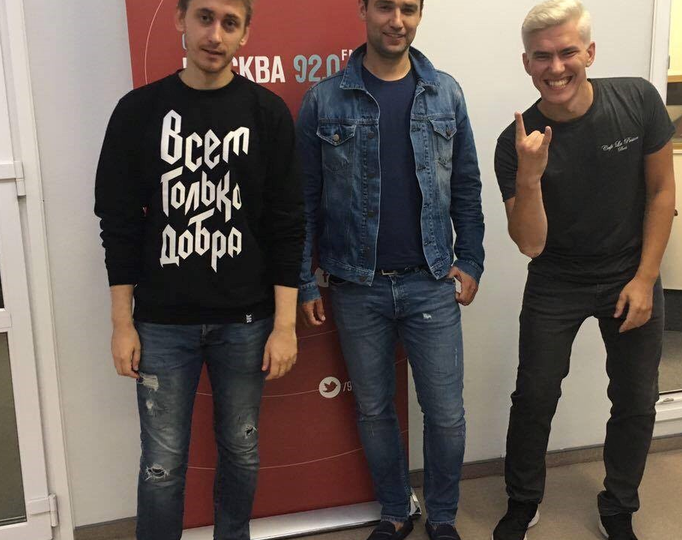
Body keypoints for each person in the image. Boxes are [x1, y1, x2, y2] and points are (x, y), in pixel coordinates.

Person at [94, 1, 304, 538]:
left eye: (230, 23)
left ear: (245, 34)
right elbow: (118, 224)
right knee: (162, 465)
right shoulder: (138, 111)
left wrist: (285, 326)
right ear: (180, 21)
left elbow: (287, 226)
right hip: (162, 323)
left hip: (247, 322)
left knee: (242, 451)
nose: (215, 34)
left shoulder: (267, 113)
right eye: (204, 17)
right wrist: (122, 323)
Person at [296, 1, 485, 539]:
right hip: (357, 285)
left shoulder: (445, 92)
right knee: (375, 410)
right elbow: (304, 200)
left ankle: (442, 516)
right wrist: (305, 278)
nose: (396, 20)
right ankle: (396, 510)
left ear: (420, 14)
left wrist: (470, 258)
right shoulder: (324, 100)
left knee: (445, 414)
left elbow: (466, 185)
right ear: (363, 10)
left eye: (408, 8)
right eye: (385, 6)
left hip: (431, 281)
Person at [492, 1, 676, 539]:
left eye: (567, 52)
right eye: (542, 57)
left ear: (589, 53)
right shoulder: (515, 142)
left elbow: (662, 193)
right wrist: (529, 176)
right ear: (526, 63)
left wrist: (645, 279)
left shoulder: (637, 100)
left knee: (636, 396)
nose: (556, 68)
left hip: (630, 269)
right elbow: (531, 244)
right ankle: (523, 501)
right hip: (557, 278)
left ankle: (618, 505)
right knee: (534, 396)